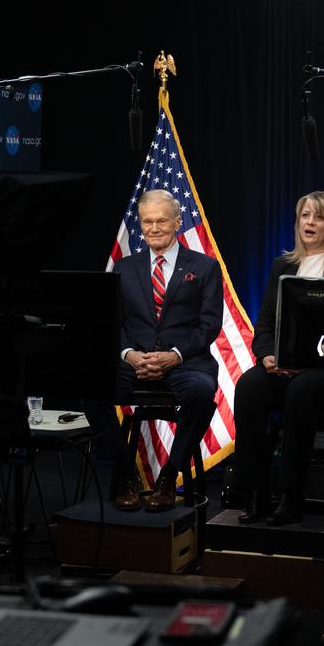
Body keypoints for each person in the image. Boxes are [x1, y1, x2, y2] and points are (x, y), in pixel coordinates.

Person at [230, 191, 324, 526]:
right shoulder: (282, 266)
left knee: (301, 389)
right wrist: (267, 355)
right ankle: (254, 491)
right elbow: (265, 324)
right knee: (249, 385)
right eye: (305, 216)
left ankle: (291, 494)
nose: (310, 223)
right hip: (285, 365)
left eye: (318, 217)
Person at [110, 189, 222, 511]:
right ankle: (125, 473)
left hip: (185, 362)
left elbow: (209, 325)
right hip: (134, 361)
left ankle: (170, 476)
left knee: (201, 393)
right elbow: (113, 322)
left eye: (161, 220)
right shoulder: (124, 268)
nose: (154, 228)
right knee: (91, 390)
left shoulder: (204, 267)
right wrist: (129, 354)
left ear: (177, 222)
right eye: (147, 222)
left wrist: (174, 356)